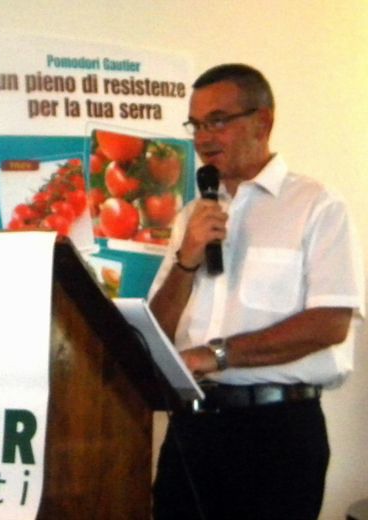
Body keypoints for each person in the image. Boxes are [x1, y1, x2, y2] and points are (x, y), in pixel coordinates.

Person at [148, 63, 364, 520]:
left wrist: (218, 355)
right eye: (196, 125)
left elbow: (330, 323)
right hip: (191, 430)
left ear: (262, 121)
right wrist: (187, 259)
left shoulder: (316, 205)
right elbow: (158, 331)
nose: (203, 138)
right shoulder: (190, 216)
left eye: (218, 121)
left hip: (276, 434)